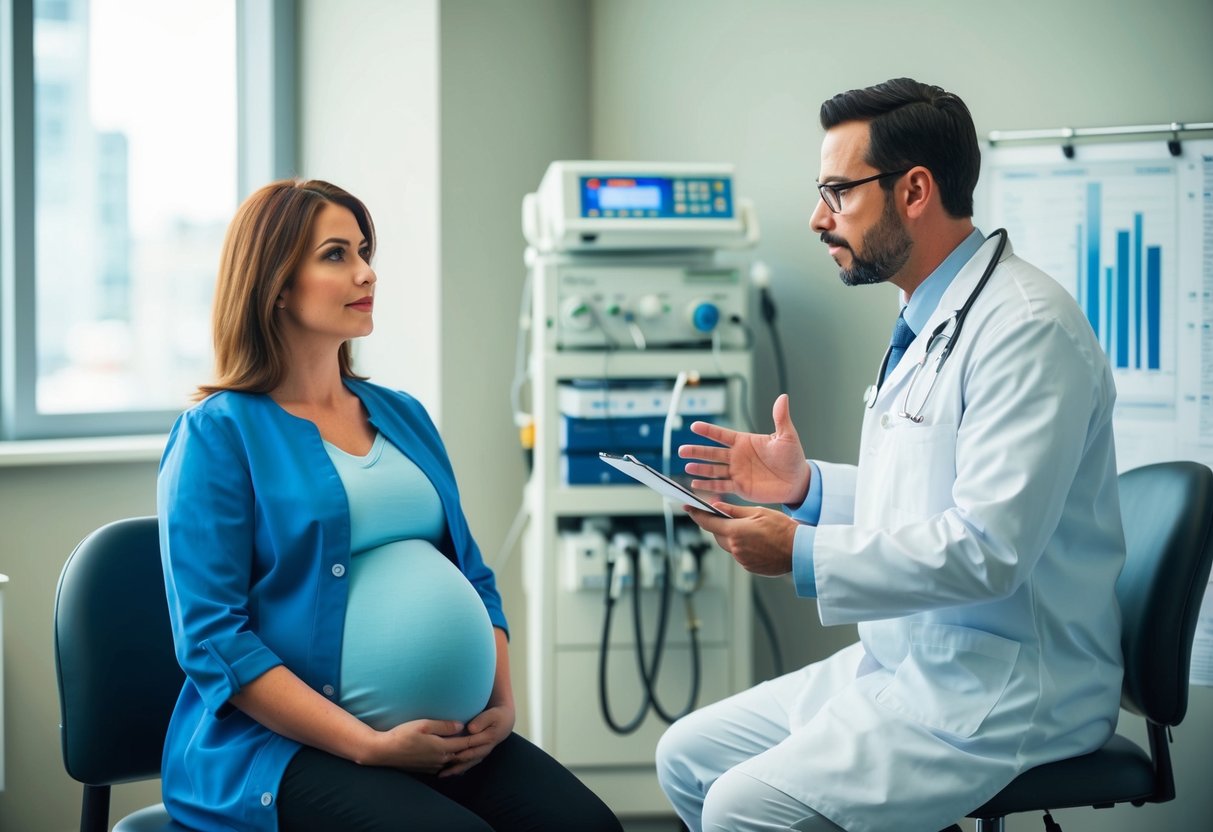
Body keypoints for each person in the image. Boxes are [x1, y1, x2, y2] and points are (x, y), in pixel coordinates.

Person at [655, 78, 1126, 832]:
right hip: (912, 657)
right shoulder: (931, 314)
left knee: (743, 808)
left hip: (1010, 685)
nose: (817, 218)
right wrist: (805, 488)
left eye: (837, 192)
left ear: (913, 190)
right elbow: (926, 504)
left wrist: (803, 553)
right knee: (687, 755)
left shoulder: (1027, 330)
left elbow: (987, 548)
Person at [157, 178, 623, 832]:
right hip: (287, 751)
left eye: (365, 250)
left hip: (452, 739)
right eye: (336, 254)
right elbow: (212, 638)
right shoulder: (219, 432)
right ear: (277, 285)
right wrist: (368, 746)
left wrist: (501, 705)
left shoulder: (401, 415)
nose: (365, 271)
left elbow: (472, 574)